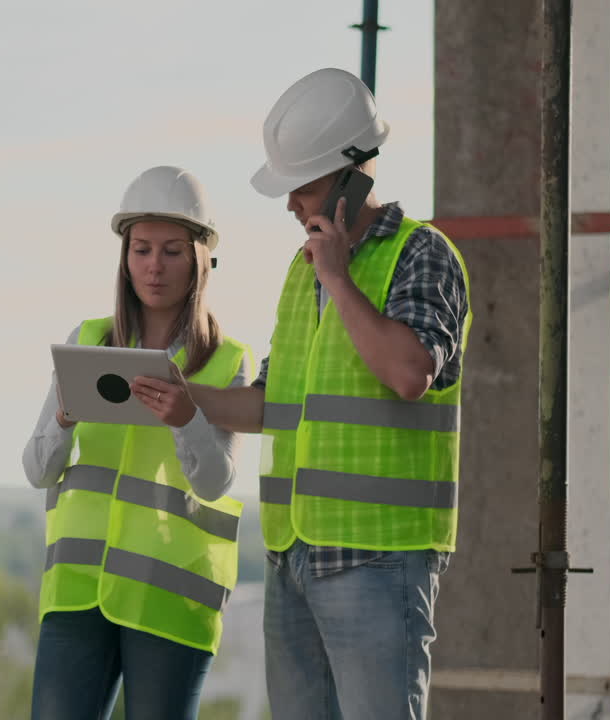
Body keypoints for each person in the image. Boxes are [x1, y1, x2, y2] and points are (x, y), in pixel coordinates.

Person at [190, 68, 472, 720]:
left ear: (354, 178)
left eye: (304, 188)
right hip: (294, 557)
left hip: (379, 559)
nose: (291, 204)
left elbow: (409, 373)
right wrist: (186, 399)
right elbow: (272, 402)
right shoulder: (303, 271)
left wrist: (341, 278)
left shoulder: (421, 254)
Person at [22, 165, 253, 720]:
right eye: (142, 249)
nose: (154, 266)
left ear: (200, 259)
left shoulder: (227, 360)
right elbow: (36, 469)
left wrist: (187, 417)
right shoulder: (88, 340)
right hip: (78, 592)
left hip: (169, 600)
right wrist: (64, 416)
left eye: (172, 250)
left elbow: (215, 481)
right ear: (124, 257)